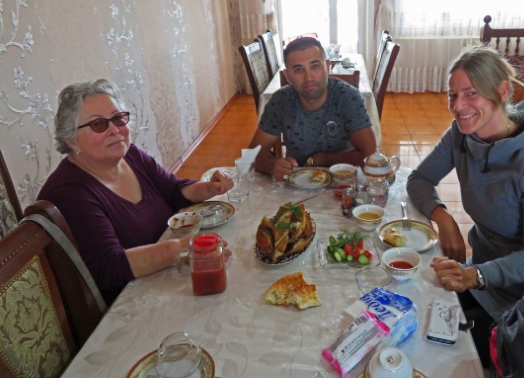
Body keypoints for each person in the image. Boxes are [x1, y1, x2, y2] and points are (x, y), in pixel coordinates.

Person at [406, 45, 524, 368]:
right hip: (488, 275)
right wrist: (443, 217)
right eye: (452, 95)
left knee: (435, 350)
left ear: (502, 91)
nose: (458, 106)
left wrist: (475, 275)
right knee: (415, 306)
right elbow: (419, 179)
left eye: (471, 93)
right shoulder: (462, 135)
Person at [38, 79, 234, 304]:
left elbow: (173, 190)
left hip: (166, 274)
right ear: (72, 141)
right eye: (99, 124)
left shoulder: (132, 155)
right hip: (131, 303)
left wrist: (208, 188)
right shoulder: (69, 193)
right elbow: (110, 267)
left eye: (118, 118)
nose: (114, 129)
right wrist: (180, 248)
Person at [250, 36, 376, 181]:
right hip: (298, 182)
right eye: (298, 70)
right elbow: (253, 154)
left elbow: (369, 156)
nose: (308, 77)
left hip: (342, 181)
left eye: (315, 66)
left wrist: (325, 159)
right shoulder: (280, 101)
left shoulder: (348, 98)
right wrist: (272, 166)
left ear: (327, 67)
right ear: (288, 76)